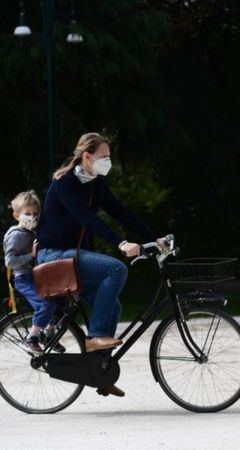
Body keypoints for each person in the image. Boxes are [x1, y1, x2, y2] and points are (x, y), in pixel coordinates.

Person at [36, 132, 162, 398]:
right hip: (54, 255)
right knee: (116, 268)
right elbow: (86, 218)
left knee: (113, 304)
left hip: (73, 255)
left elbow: (120, 211)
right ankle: (96, 338)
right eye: (104, 156)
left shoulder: (95, 182)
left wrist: (155, 239)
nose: (108, 161)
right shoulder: (65, 183)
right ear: (87, 157)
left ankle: (99, 372)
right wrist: (120, 243)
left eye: (109, 156)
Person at [3, 190, 66, 354]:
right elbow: (9, 261)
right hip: (23, 278)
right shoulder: (16, 236)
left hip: (37, 275)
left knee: (61, 298)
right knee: (44, 305)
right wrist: (30, 255)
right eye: (27, 213)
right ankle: (31, 338)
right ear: (16, 215)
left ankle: (48, 334)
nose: (32, 217)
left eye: (35, 213)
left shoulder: (32, 232)